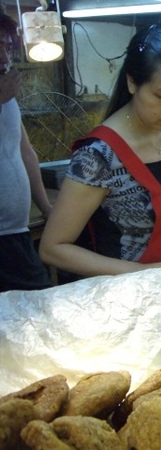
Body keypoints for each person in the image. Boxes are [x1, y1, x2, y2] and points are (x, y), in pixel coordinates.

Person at [39, 23, 161, 287]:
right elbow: (53, 248)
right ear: (132, 82)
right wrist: (144, 272)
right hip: (126, 302)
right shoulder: (98, 156)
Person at [0, 11, 53, 292]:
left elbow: (26, 153)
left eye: (7, 46)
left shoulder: (7, 95)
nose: (4, 56)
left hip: (15, 233)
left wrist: (46, 207)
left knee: (36, 307)